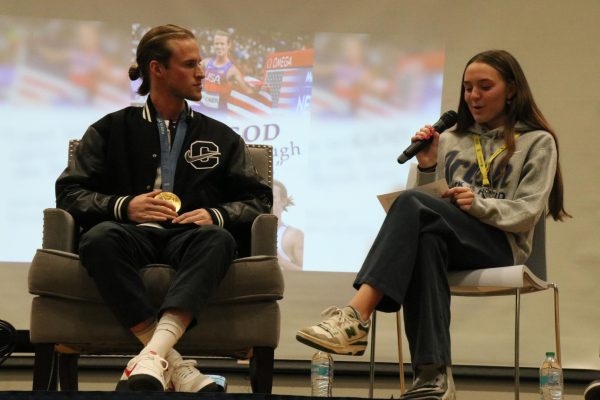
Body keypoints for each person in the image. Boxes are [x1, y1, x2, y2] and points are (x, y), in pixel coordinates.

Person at [296, 49, 569, 399]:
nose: (473, 96)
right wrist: (427, 167)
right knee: (425, 240)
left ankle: (355, 316)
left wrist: (480, 205)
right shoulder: (451, 140)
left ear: (512, 90)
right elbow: (431, 205)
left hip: (500, 245)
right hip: (452, 241)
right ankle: (432, 378)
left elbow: (529, 212)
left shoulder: (537, 141)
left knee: (413, 206)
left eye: (485, 87)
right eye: (468, 87)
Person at [55, 24, 272, 392]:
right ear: (157, 69)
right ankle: (176, 366)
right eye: (190, 64)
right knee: (99, 239)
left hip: (190, 237)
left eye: (200, 63)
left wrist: (214, 215)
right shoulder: (109, 130)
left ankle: (152, 357)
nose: (202, 72)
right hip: (128, 235)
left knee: (217, 239)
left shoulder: (221, 137)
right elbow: (69, 192)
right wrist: (124, 207)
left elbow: (259, 200)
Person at [199, 30, 261, 113]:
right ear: (213, 45)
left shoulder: (233, 70)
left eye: (222, 44)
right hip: (202, 110)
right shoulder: (206, 62)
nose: (219, 46)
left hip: (219, 114)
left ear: (229, 45)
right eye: (216, 43)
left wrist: (261, 90)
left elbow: (247, 90)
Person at [272, 180, 304, 271]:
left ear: (284, 201)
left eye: (272, 197)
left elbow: (305, 272)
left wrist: (281, 261)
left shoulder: (294, 235)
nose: (268, 201)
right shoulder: (255, 233)